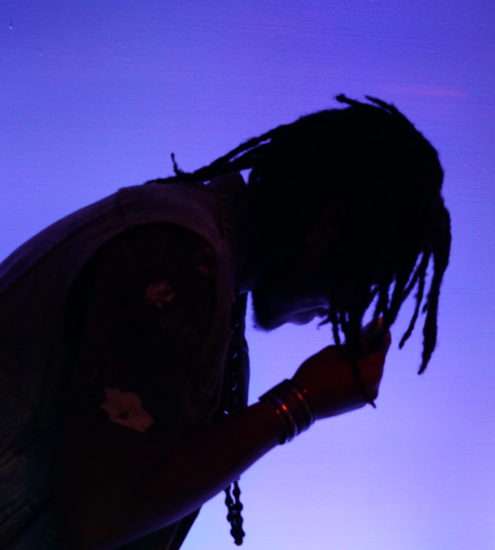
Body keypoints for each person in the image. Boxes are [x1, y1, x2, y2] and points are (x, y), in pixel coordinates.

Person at [0, 95, 451, 549]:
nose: (343, 306)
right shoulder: (178, 257)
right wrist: (301, 401)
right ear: (329, 230)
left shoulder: (191, 249)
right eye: (363, 276)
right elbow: (103, 511)